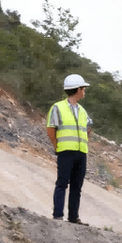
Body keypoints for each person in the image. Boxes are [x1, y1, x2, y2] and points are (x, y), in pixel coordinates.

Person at [46, 74, 92, 225]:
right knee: (62, 183)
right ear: (78, 89)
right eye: (83, 88)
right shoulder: (58, 107)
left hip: (81, 152)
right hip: (65, 151)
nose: (84, 91)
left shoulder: (83, 111)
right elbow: (51, 130)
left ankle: (73, 217)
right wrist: (57, 146)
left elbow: (88, 128)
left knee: (76, 186)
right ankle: (58, 215)